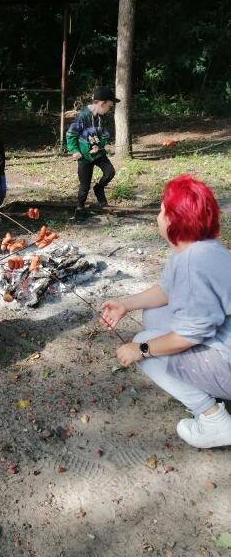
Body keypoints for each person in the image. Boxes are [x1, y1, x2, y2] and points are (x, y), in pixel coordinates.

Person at [101, 175, 231, 449]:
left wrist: (142, 349)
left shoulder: (193, 266)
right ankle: (206, 388)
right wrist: (126, 304)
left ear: (174, 220)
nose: (158, 216)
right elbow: (166, 291)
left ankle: (213, 420)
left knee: (144, 346)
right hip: (223, 343)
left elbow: (189, 336)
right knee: (154, 316)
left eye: (162, 210)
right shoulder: (199, 250)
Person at [66, 87, 120, 222]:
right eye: (109, 106)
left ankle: (99, 188)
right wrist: (75, 151)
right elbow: (71, 134)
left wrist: (99, 145)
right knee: (84, 186)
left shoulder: (102, 117)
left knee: (110, 172)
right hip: (84, 157)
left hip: (98, 154)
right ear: (102, 103)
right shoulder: (82, 117)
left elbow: (105, 135)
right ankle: (80, 208)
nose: (110, 108)